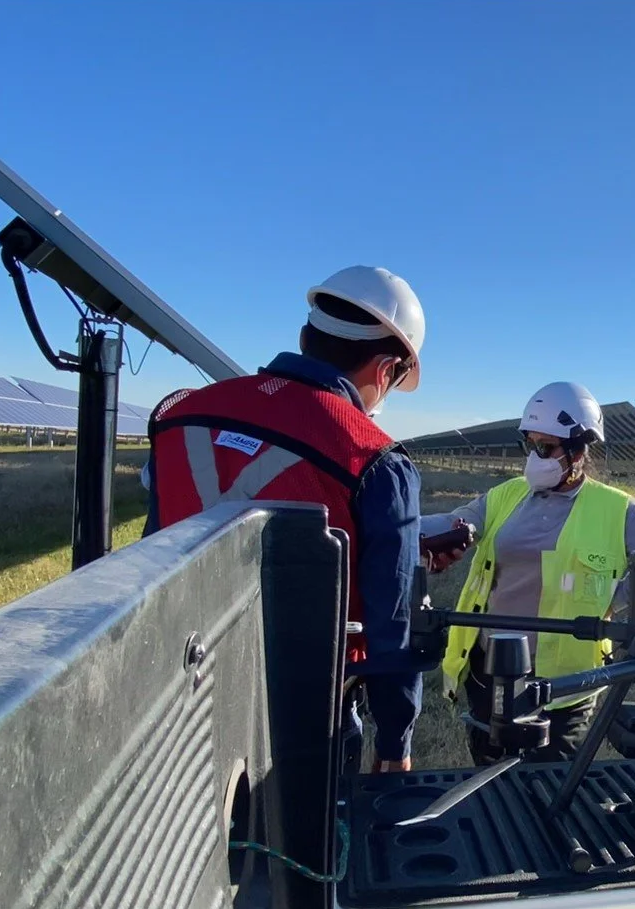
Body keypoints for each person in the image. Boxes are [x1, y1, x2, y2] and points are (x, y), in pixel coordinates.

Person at [142, 265, 429, 774]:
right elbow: (392, 626)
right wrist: (395, 745)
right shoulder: (377, 460)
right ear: (387, 370)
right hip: (298, 718)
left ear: (303, 339)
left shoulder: (178, 416)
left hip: (173, 697)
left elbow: (155, 546)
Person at [422, 382, 635, 764]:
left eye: (546, 447)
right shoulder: (508, 494)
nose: (534, 457)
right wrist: (406, 529)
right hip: (491, 668)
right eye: (529, 445)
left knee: (549, 783)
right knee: (487, 775)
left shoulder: (618, 509)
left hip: (564, 685)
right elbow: (457, 520)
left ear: (579, 449)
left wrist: (615, 596)